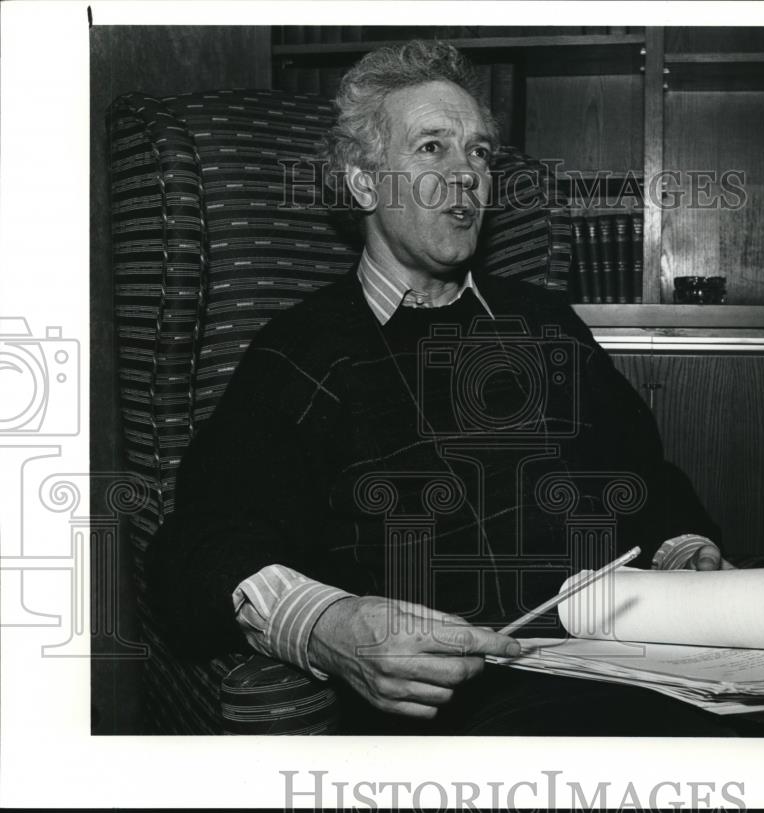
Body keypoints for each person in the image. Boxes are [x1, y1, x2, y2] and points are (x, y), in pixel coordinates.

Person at [148, 39, 731, 735]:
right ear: (365, 183)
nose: (466, 176)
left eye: (480, 152)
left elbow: (644, 475)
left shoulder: (545, 321)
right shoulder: (300, 352)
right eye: (432, 148)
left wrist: (681, 546)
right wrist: (331, 624)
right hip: (465, 708)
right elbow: (200, 549)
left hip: (630, 662)